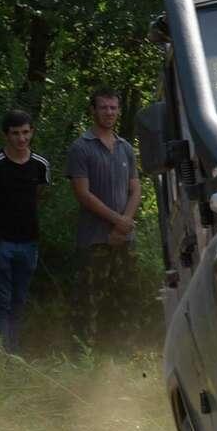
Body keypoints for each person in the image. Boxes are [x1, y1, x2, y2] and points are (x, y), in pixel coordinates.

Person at [67, 88, 142, 339]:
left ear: (119, 111)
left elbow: (136, 189)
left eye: (113, 108)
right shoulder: (81, 147)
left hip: (124, 240)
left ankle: (120, 354)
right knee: (88, 305)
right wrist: (118, 221)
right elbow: (83, 194)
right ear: (93, 110)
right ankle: (84, 355)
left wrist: (124, 224)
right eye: (103, 107)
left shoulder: (125, 147)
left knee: (126, 301)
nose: (109, 112)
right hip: (94, 240)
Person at [0, 109, 50, 353]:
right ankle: (0, 351)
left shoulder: (40, 164)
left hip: (29, 241)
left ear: (32, 132)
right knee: (1, 299)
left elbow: (39, 196)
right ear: (6, 135)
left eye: (26, 132)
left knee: (19, 299)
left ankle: (13, 350)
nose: (21, 138)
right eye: (16, 133)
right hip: (0, 240)